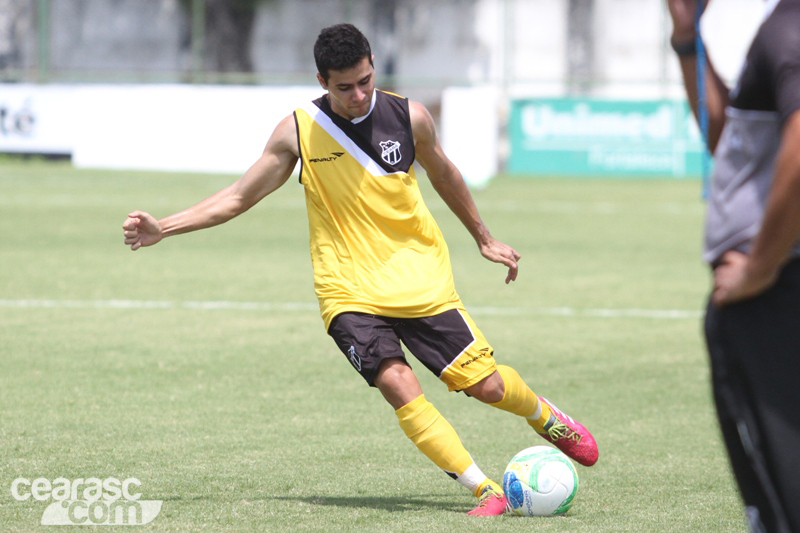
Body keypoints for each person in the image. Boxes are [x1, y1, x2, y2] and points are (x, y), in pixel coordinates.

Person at [122, 23, 598, 516]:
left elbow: (445, 174)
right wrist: (166, 227)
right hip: (347, 290)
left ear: (373, 65)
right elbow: (239, 197)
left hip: (420, 279)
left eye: (365, 80)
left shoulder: (409, 116)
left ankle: (545, 416)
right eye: (344, 86)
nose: (358, 94)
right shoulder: (299, 130)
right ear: (322, 81)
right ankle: (485, 490)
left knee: (489, 387)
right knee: (396, 382)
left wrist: (484, 237)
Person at [667, 1, 800, 531]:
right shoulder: (775, 28)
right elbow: (730, 143)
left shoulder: (790, 28)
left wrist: (760, 268)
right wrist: (685, 37)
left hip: (777, 299)